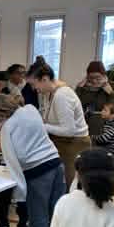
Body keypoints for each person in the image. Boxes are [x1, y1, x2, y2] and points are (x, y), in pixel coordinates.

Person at [0, 95, 66, 227]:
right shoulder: (30, 110)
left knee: (38, 217)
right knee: (56, 212)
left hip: (37, 173)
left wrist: (20, 193)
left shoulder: (7, 128)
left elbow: (12, 162)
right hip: (56, 164)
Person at [31, 57, 89, 188]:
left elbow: (69, 131)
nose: (34, 88)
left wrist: (42, 126)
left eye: (34, 84)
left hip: (73, 144)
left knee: (70, 186)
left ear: (45, 79)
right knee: (60, 186)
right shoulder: (49, 93)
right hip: (63, 143)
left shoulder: (62, 95)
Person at [76, 61, 114, 136]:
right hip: (84, 125)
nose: (94, 81)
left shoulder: (112, 86)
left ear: (104, 75)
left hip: (106, 128)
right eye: (91, 78)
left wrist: (111, 93)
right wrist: (79, 89)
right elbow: (75, 104)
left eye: (98, 78)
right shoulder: (83, 87)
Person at [91, 100, 114, 170]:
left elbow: (104, 138)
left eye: (105, 110)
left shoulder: (112, 126)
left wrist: (93, 137)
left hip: (113, 153)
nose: (102, 111)